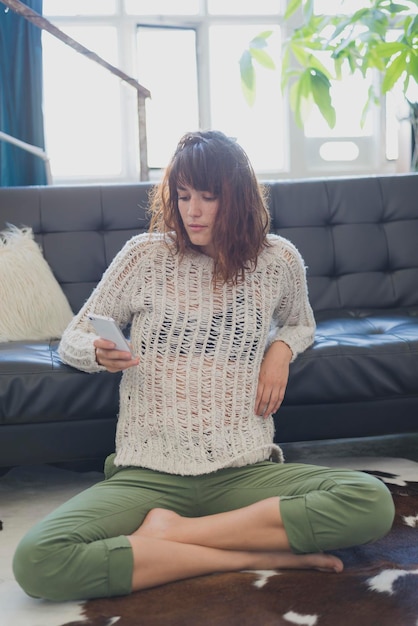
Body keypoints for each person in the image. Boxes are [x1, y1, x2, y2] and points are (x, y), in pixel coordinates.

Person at [13, 130, 395, 602]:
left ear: (239, 199)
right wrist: (96, 352)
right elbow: (74, 335)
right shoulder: (144, 255)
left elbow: (301, 324)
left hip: (243, 470)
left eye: (209, 197)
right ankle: (250, 552)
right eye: (183, 195)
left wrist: (280, 351)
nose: (192, 211)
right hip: (149, 473)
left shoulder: (278, 260)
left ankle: (168, 539)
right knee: (37, 560)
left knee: (371, 502)